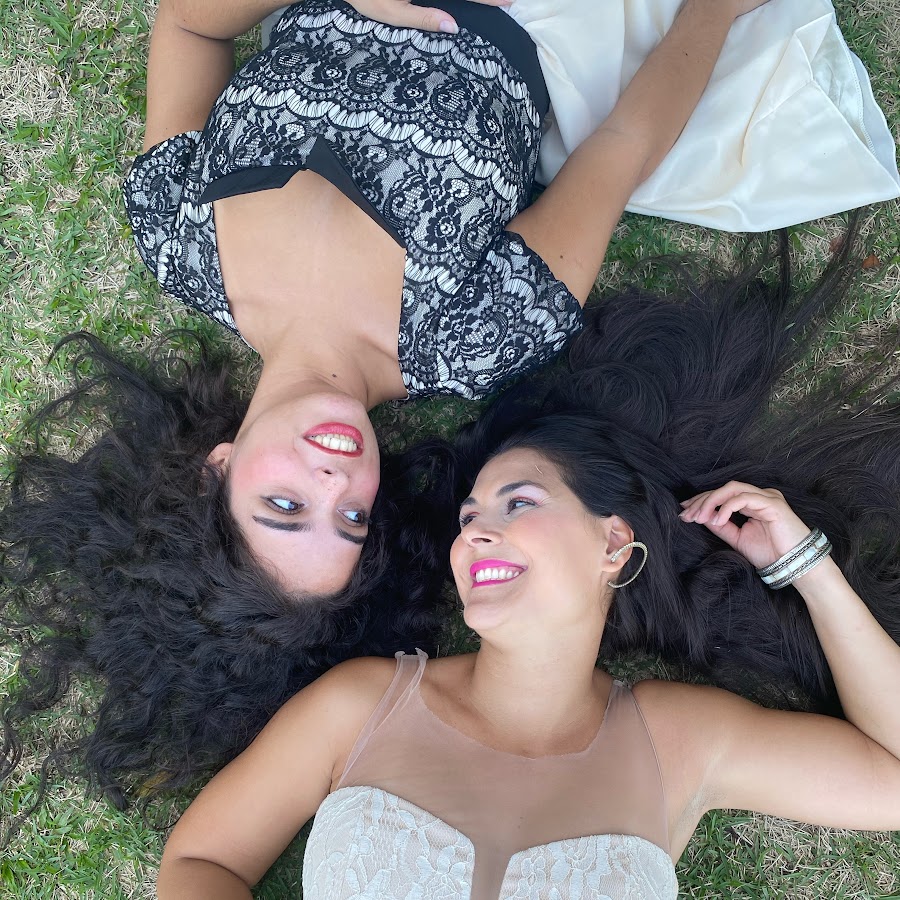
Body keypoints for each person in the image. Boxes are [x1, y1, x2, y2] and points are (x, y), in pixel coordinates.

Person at [0, 0, 773, 812]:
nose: (335, 480)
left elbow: (192, 25)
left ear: (215, 470)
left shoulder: (178, 240)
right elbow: (623, 147)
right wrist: (716, 9)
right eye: (351, 519)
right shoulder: (480, 336)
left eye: (286, 506)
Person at [153, 230, 900, 898]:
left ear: (614, 545)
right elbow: (203, 860)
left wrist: (808, 568)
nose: (477, 532)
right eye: (469, 517)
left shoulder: (679, 740)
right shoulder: (362, 706)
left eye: (518, 503)